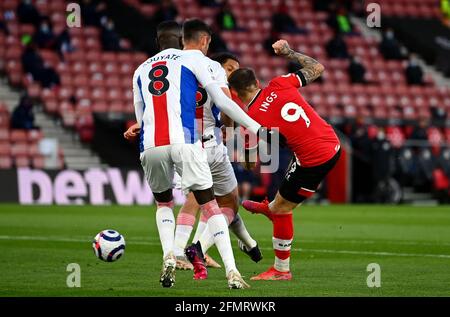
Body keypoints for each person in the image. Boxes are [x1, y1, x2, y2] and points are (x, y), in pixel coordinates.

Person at [129, 20, 266, 289]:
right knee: (213, 205)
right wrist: (256, 128)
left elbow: (140, 115)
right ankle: (232, 271)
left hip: (151, 145)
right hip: (190, 142)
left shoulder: (140, 69)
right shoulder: (193, 60)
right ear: (182, 39)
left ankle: (170, 253)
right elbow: (225, 103)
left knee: (164, 204)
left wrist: (139, 127)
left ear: (158, 41)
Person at [228, 39, 341, 281]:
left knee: (282, 209)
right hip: (332, 142)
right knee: (285, 197)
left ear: (235, 94)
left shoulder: (252, 119)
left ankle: (281, 270)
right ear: (257, 83)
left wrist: (243, 152)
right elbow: (317, 67)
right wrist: (288, 52)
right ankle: (270, 208)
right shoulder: (279, 83)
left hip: (313, 158)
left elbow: (254, 160)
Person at [171, 52, 262, 273]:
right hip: (206, 145)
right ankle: (187, 250)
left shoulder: (185, 79)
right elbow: (227, 116)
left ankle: (246, 244)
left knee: (216, 200)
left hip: (182, 144)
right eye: (230, 68)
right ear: (216, 66)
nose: (233, 73)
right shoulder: (218, 84)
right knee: (215, 201)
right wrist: (233, 134)